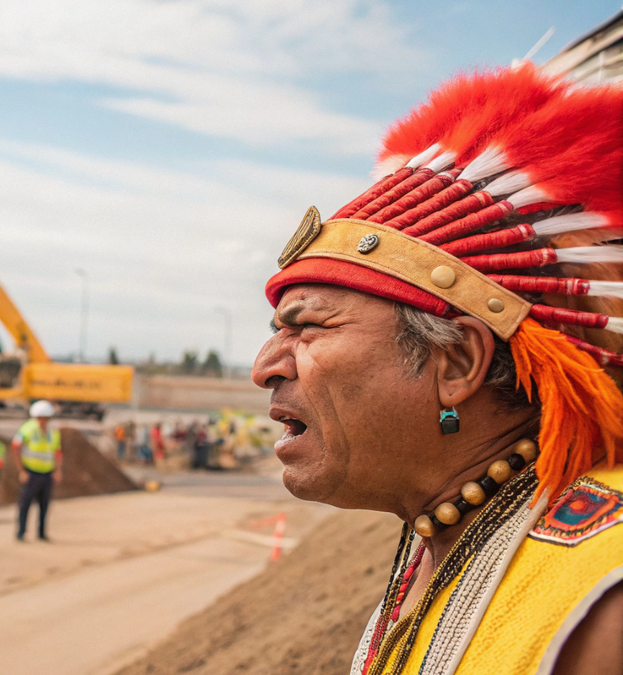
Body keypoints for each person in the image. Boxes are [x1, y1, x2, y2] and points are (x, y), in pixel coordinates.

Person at [252, 65, 623, 674]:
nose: (265, 368)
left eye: (309, 326)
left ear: (457, 362)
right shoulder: (433, 545)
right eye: (277, 330)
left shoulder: (603, 597)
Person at [13, 400, 62, 542]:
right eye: (40, 418)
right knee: (25, 503)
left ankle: (41, 533)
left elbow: (57, 453)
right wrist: (21, 470)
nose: (43, 421)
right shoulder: (27, 429)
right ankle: (21, 532)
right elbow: (16, 447)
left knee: (44, 505)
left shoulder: (53, 432)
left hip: (47, 473)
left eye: (45, 418)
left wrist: (57, 470)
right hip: (31, 473)